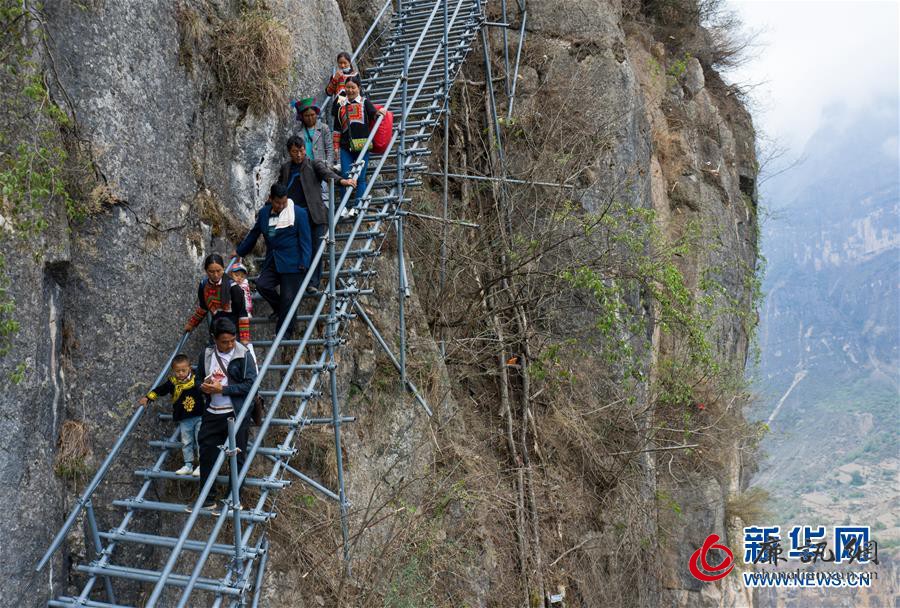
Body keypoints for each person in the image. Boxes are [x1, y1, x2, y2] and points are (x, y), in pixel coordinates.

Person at [277, 137, 356, 290]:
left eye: (301, 151)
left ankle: (313, 283)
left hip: (315, 215)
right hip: (294, 217)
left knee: (316, 248)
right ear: (289, 152)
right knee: (298, 248)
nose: (299, 155)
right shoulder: (285, 168)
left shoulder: (314, 164)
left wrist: (342, 181)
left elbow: (327, 174)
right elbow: (280, 188)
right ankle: (300, 280)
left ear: (304, 149)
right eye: (295, 152)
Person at [196, 317, 257, 511]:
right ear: (214, 338)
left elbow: (251, 385)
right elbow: (197, 378)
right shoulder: (206, 354)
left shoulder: (243, 354)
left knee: (236, 458)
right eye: (224, 342)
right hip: (212, 412)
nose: (230, 345)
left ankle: (233, 500)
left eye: (232, 340)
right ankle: (207, 498)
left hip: (235, 413)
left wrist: (222, 389)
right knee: (207, 454)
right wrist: (202, 387)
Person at [235, 184, 311, 336]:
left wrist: (305, 262)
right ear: (270, 199)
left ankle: (283, 335)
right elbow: (254, 234)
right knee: (262, 285)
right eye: (277, 203)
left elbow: (306, 241)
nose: (281, 206)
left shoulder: (298, 213)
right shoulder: (264, 213)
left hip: (293, 263)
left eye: (284, 202)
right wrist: (239, 252)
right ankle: (280, 310)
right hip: (273, 260)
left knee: (288, 298)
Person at [138, 354, 204, 477]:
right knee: (186, 442)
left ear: (189, 368)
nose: (181, 373)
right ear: (173, 371)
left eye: (183, 370)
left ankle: (202, 465)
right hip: (184, 418)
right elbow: (160, 390)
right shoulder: (172, 382)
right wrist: (148, 398)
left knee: (201, 440)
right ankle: (188, 465)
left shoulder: (197, 379)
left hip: (199, 416)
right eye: (177, 371)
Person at [334, 76, 385, 208]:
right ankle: (344, 207)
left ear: (359, 88)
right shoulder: (341, 104)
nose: (350, 90)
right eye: (348, 87)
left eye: (353, 87)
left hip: (363, 146)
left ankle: (358, 206)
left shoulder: (365, 102)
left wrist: (380, 112)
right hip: (345, 147)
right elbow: (337, 127)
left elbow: (374, 114)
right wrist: (335, 146)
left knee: (361, 177)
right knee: (345, 177)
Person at [184, 254, 250, 345]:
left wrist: (244, 337)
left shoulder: (234, 288)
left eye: (218, 271)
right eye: (211, 271)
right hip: (216, 330)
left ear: (223, 269)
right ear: (206, 271)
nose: (215, 275)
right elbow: (203, 307)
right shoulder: (204, 285)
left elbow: (242, 312)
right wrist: (192, 323)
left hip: (233, 331)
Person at [293, 97, 334, 171]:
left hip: (321, 166)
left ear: (316, 114)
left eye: (312, 115)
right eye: (306, 116)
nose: (310, 118)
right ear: (302, 116)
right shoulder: (297, 130)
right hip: (304, 167)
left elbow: (330, 149)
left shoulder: (324, 128)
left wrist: (328, 167)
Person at [325, 51, 359, 127]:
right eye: (340, 63)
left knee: (353, 125)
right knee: (340, 125)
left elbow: (359, 90)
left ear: (349, 62)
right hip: (340, 102)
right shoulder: (335, 75)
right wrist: (335, 79)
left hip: (354, 103)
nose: (343, 65)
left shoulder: (355, 74)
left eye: (345, 63)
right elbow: (328, 92)